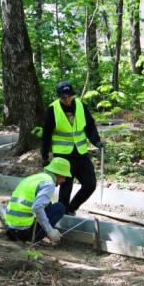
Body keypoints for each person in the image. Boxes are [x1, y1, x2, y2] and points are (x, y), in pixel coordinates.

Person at [41, 81, 104, 215]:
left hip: (81, 153)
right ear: (59, 96)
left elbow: (90, 127)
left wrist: (97, 142)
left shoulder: (82, 106)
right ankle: (63, 214)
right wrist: (44, 155)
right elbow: (46, 134)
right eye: (64, 97)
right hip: (62, 155)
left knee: (90, 184)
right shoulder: (52, 109)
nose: (67, 99)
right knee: (66, 186)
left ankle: (71, 208)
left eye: (69, 96)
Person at [5, 157, 71, 243]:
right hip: (23, 233)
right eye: (63, 176)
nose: (64, 180)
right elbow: (37, 207)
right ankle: (32, 238)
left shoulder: (36, 178)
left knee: (49, 204)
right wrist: (50, 230)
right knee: (60, 207)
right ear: (57, 173)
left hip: (11, 229)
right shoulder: (49, 183)